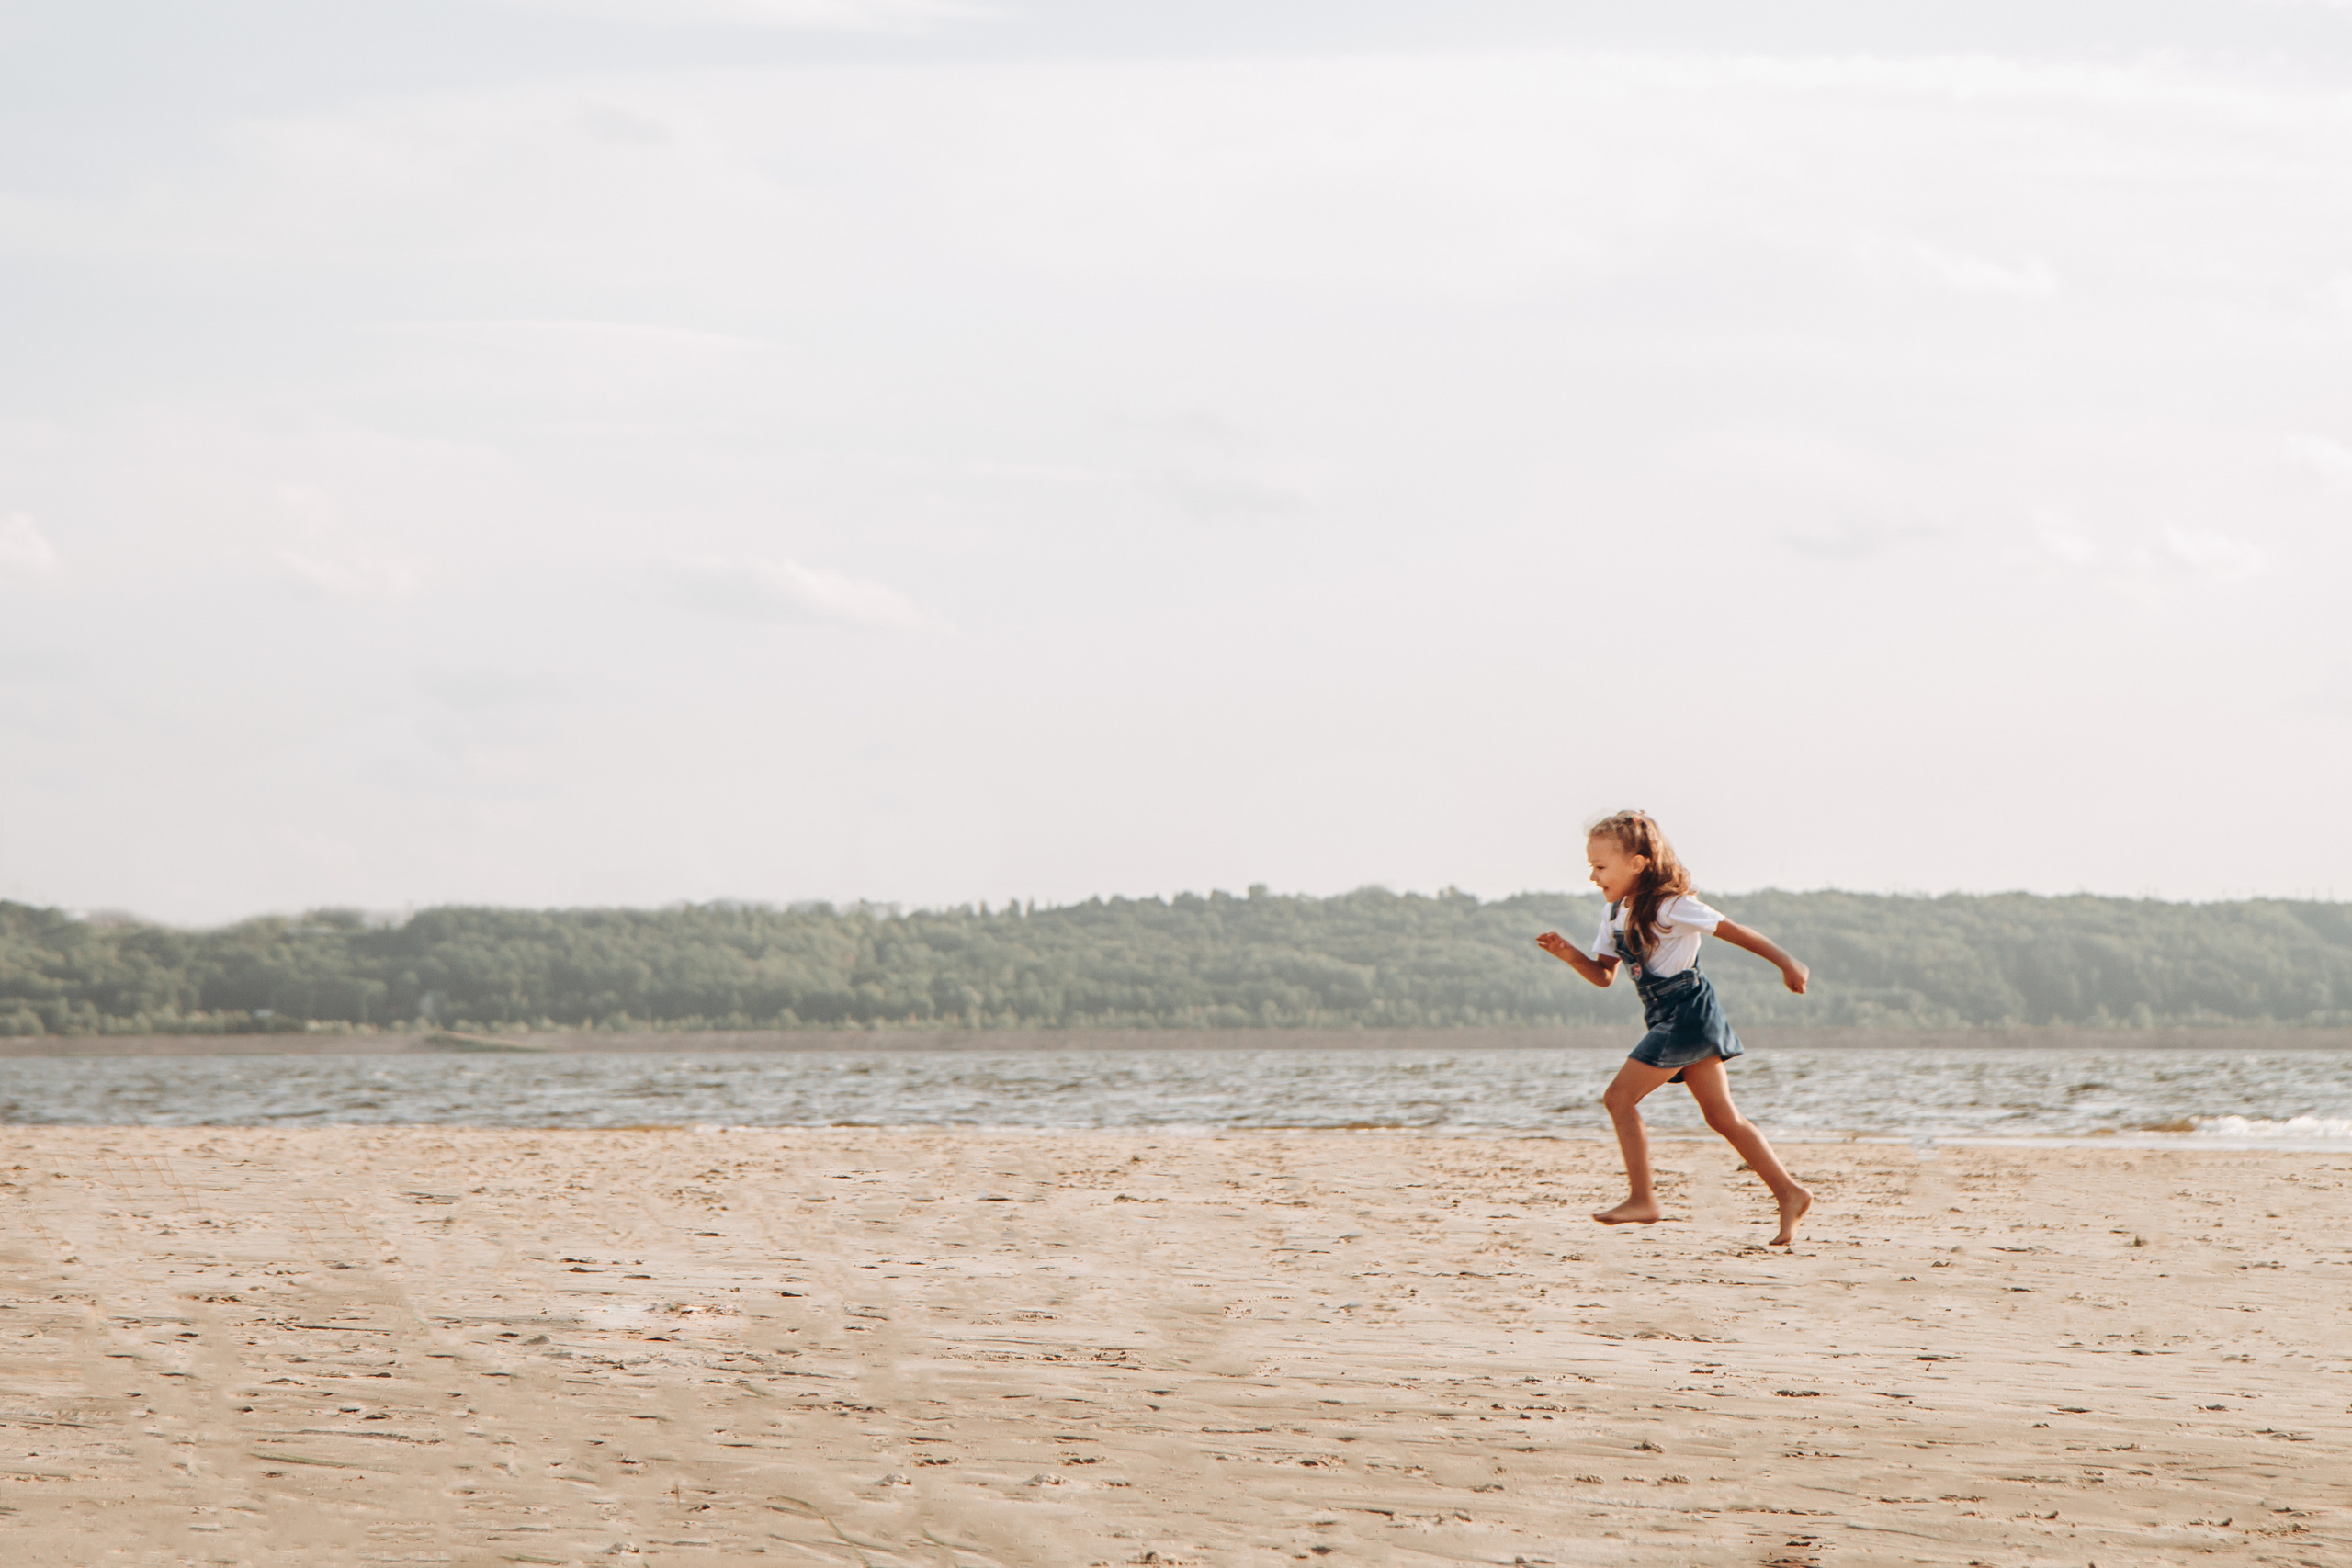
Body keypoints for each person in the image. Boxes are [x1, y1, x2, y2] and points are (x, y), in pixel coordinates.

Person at [1535, 809, 1815, 1246]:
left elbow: (1735, 931)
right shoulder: (1613, 914)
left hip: (1689, 1014)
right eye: (1590, 866)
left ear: (1638, 863)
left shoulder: (1672, 904)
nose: (1593, 876)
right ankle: (1790, 1192)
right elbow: (1604, 975)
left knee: (1618, 1098)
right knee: (1723, 1118)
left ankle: (1643, 1199)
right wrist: (1570, 955)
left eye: (1601, 866)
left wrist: (1787, 962)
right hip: (1669, 1017)